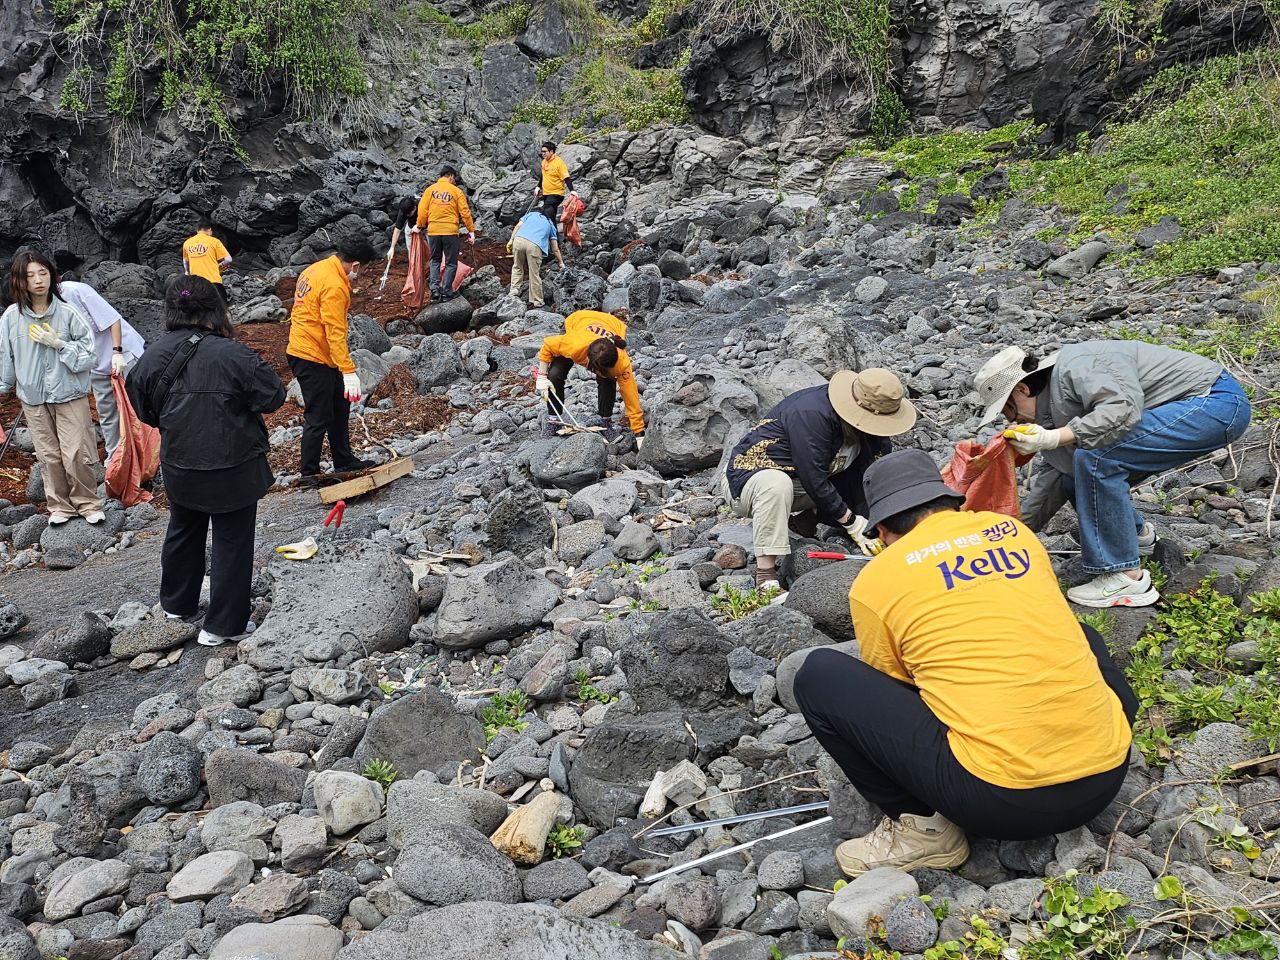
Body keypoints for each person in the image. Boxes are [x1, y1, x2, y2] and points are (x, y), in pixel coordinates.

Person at [794, 449, 1137, 877]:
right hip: (1107, 775)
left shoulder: (877, 579)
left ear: (882, 529)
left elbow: (898, 682)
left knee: (818, 675)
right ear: (953, 502)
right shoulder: (1013, 532)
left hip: (1005, 803)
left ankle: (923, 831)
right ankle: (1091, 734)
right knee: (1081, 635)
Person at [973, 341, 1251, 608]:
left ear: (1022, 389)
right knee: (1075, 472)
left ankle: (1125, 577)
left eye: (1007, 410)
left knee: (1095, 457)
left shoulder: (1078, 365)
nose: (1011, 421)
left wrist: (1056, 437)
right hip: (1194, 409)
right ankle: (1136, 537)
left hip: (1215, 403)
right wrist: (1003, 537)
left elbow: (1122, 409)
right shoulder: (1050, 411)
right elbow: (1056, 477)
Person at [127, 276, 285, 647]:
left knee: (184, 529)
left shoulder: (152, 355)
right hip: (233, 465)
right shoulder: (234, 354)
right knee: (231, 540)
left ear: (170, 310)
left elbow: (144, 409)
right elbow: (273, 396)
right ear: (216, 308)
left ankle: (176, 605)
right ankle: (223, 626)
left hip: (181, 464)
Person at [721, 369, 916, 590]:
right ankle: (765, 576)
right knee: (776, 485)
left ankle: (806, 520)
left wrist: (878, 526)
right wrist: (852, 522)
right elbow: (813, 476)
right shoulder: (811, 414)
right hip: (748, 483)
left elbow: (871, 474)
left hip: (802, 484)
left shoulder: (870, 429)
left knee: (857, 471)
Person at [0, 250, 104, 525]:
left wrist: (59, 344)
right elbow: (5, 356)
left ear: (52, 277)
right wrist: (3, 386)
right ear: (19, 281)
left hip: (69, 394)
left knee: (77, 451)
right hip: (33, 398)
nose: (38, 280)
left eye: (43, 273)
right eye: (30, 275)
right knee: (48, 454)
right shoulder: (10, 317)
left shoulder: (69, 312)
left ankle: (88, 503)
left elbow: (90, 356)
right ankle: (59, 506)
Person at [285, 237, 379, 483]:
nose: (360, 275)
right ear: (355, 265)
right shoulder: (334, 285)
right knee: (319, 414)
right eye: (363, 269)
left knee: (340, 405)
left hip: (314, 349)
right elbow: (334, 333)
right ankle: (309, 474)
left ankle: (343, 459)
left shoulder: (315, 269)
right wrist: (348, 371)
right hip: (310, 354)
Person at [58, 278, 145, 463]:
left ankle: (149, 457)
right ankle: (115, 460)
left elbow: (113, 320)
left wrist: (117, 352)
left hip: (123, 354)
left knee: (138, 406)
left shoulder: (74, 290)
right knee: (107, 412)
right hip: (94, 363)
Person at [535, 310, 644, 442]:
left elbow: (630, 395)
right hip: (579, 319)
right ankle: (553, 419)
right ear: (588, 362)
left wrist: (639, 432)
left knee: (608, 380)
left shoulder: (621, 363)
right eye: (598, 371)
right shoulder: (574, 346)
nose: (600, 374)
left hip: (610, 322)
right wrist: (541, 376)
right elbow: (548, 345)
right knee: (555, 374)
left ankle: (606, 422)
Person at [416, 166, 476, 301]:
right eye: (454, 178)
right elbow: (465, 212)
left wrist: (420, 225)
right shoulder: (456, 191)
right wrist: (471, 230)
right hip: (450, 231)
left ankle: (435, 291)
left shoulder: (430, 190)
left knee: (435, 260)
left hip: (433, 231)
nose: (454, 181)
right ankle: (447, 291)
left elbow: (422, 210)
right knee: (451, 263)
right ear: (450, 176)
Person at [507, 210, 564, 308]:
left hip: (519, 240)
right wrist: (561, 262)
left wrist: (511, 240)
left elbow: (518, 226)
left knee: (517, 266)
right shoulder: (550, 225)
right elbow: (555, 249)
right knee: (534, 274)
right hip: (534, 246)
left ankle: (514, 290)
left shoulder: (531, 214)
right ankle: (537, 301)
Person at [181, 220, 233, 302]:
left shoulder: (187, 243)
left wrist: (187, 272)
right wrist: (220, 266)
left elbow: (185, 261)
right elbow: (228, 259)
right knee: (221, 305)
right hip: (213, 281)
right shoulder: (214, 241)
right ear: (209, 229)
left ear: (197, 230)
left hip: (196, 283)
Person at [532, 142, 574, 222]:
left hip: (556, 193)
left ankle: (552, 229)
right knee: (552, 214)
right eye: (542, 151)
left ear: (551, 151)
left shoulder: (559, 163)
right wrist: (538, 187)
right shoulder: (544, 162)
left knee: (546, 210)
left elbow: (566, 177)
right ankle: (553, 229)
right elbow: (543, 176)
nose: (543, 153)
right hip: (546, 193)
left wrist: (572, 190)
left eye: (545, 151)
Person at [385, 195, 419, 262]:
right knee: (409, 237)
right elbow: (397, 229)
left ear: (414, 208)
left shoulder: (422, 205)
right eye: (406, 214)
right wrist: (392, 247)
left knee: (431, 244)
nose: (407, 215)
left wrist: (419, 226)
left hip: (427, 225)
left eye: (409, 214)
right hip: (411, 226)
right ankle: (413, 262)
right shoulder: (404, 210)